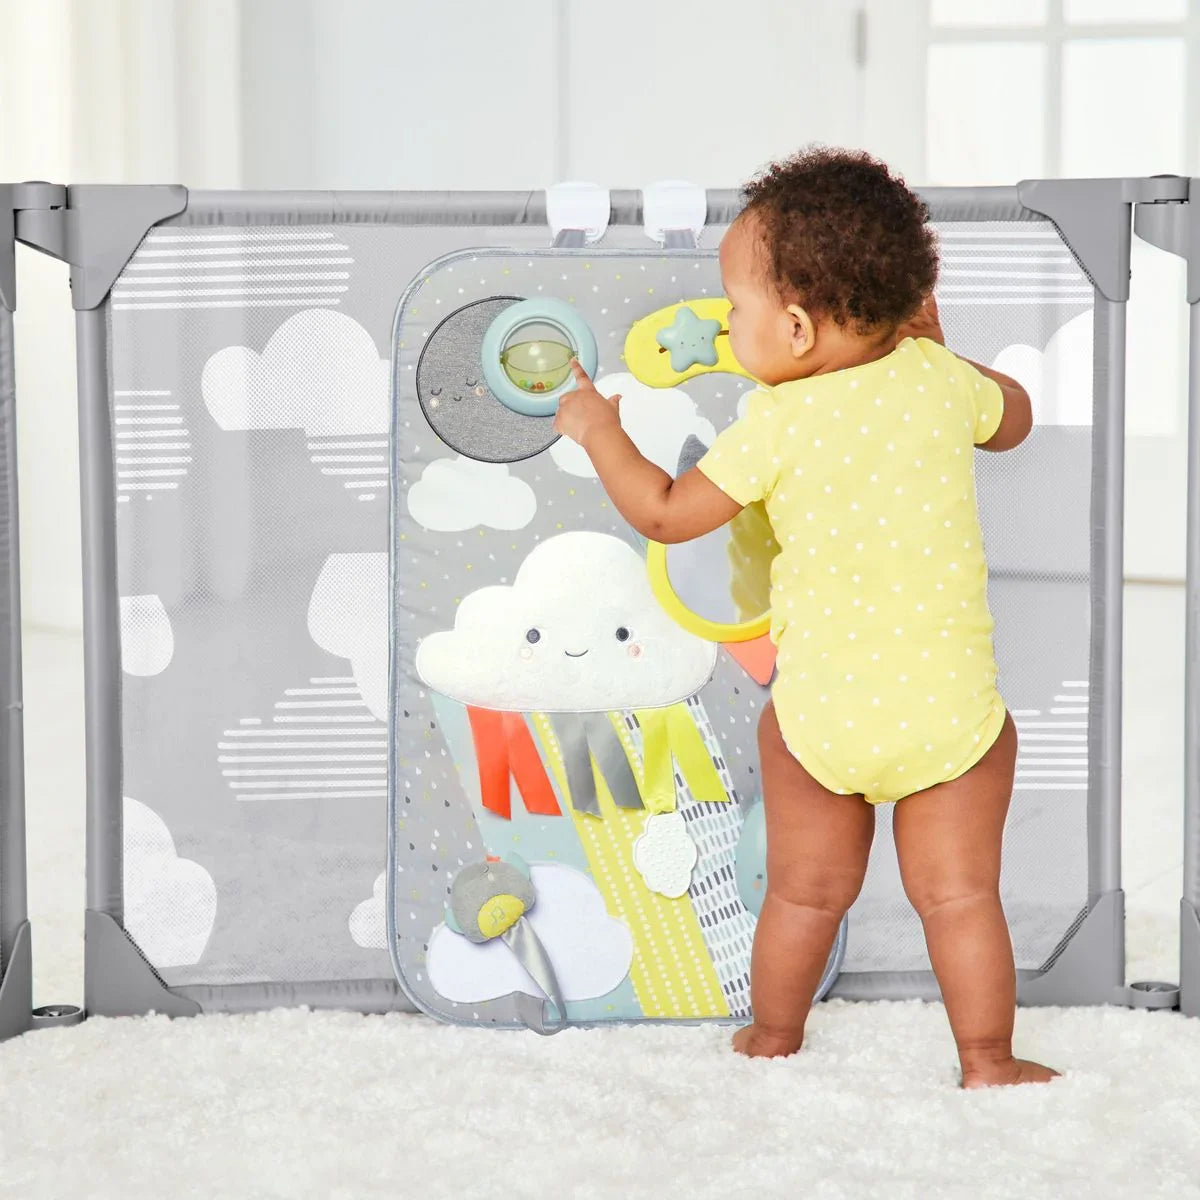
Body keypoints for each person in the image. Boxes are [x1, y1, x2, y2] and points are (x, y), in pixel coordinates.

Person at [553, 147, 1057, 1088]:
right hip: (951, 718)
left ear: (791, 328)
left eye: (736, 310)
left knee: (801, 892)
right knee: (958, 897)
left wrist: (599, 429)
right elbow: (1017, 416)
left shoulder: (773, 427)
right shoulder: (939, 380)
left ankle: (773, 1036)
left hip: (823, 714)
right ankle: (987, 1058)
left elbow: (665, 513)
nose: (731, 326)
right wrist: (941, 349)